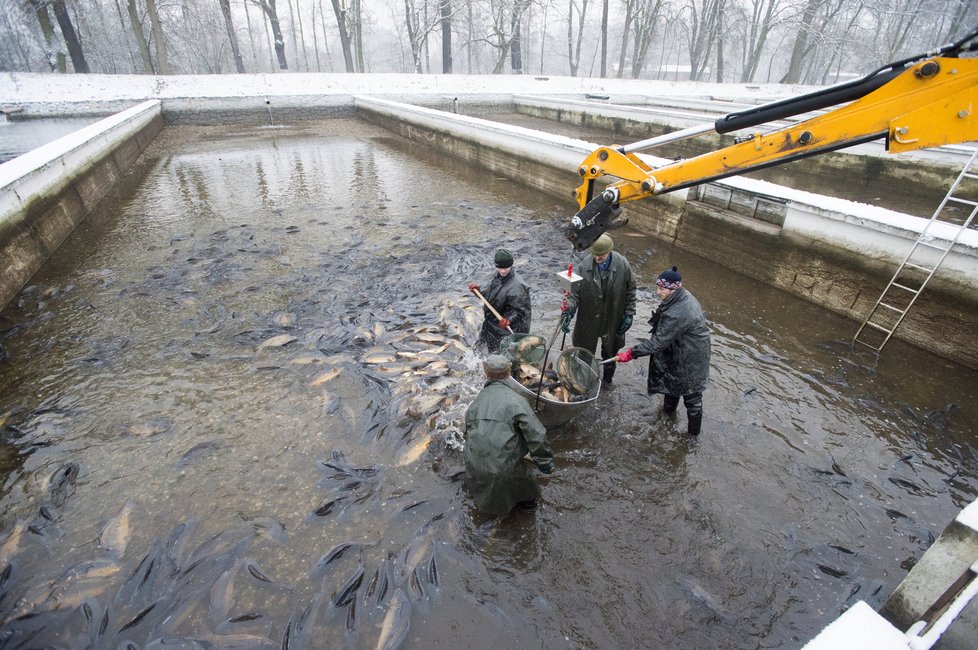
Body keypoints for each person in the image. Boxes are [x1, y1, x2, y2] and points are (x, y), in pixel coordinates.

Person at [614, 266, 711, 436]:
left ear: (675, 288)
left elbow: (658, 343)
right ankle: (666, 418)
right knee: (672, 386)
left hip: (692, 359)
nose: (658, 292)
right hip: (679, 351)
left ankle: (692, 438)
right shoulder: (678, 297)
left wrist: (631, 353)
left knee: (692, 399)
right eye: (657, 287)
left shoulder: (681, 311)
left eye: (662, 289)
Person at [463, 354, 554, 516]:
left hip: (474, 470)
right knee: (529, 501)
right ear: (508, 374)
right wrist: (544, 462)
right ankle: (525, 511)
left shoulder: (475, 403)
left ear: (486, 374)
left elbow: (466, 436)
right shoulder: (517, 400)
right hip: (504, 470)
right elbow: (537, 434)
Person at [560, 233, 636, 384]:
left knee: (610, 352)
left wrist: (629, 313)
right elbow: (574, 293)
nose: (597, 258)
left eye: (601, 256)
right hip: (589, 316)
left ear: (610, 252)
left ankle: (607, 381)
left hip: (613, 316)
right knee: (584, 352)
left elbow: (631, 291)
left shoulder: (623, 265)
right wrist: (568, 310)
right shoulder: (584, 266)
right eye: (595, 254)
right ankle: (583, 381)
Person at [468, 248, 532, 352]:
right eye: (500, 267)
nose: (502, 271)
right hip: (492, 323)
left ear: (511, 265)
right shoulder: (497, 276)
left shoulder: (517, 286)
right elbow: (491, 298)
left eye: (506, 267)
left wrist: (508, 320)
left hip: (509, 329)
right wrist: (479, 293)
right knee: (481, 349)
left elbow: (519, 312)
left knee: (502, 356)